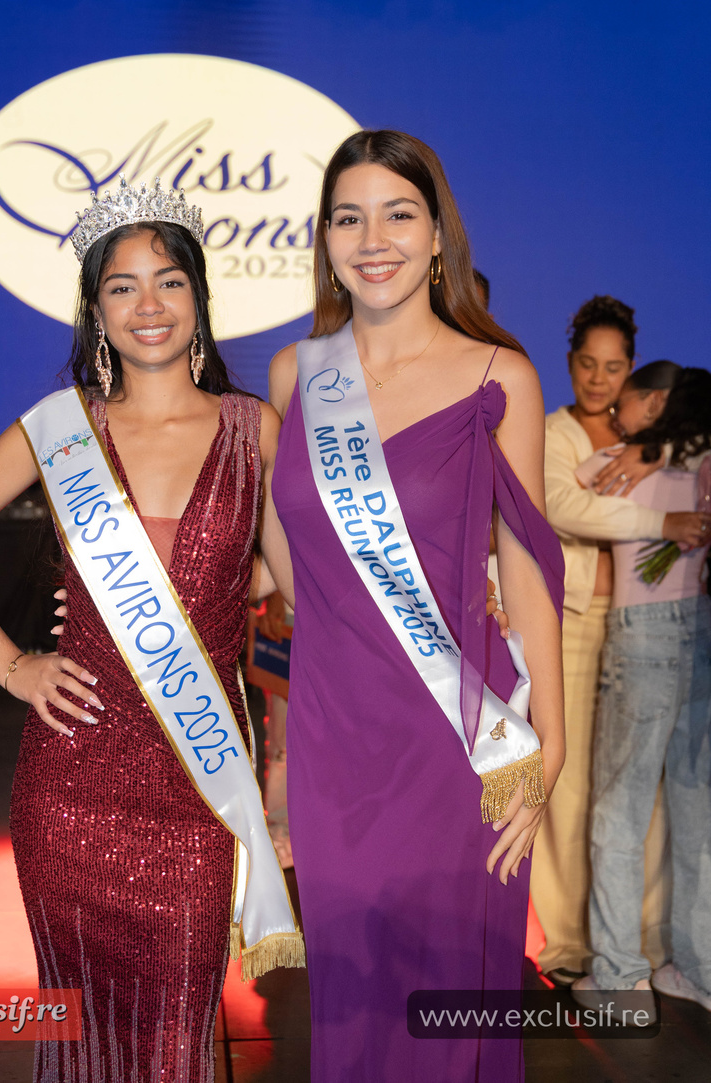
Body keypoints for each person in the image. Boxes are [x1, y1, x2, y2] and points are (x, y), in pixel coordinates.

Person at [0, 179, 303, 1082]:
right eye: (121, 287)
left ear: (199, 297)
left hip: (198, 784)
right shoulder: (62, 428)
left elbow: (296, 580)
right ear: (94, 311)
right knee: (82, 1034)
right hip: (71, 778)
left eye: (168, 280)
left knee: (177, 1031)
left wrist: (217, 591)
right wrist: (13, 664)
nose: (148, 304)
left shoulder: (254, 430)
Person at [262, 129, 566, 1082]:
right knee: (353, 1001)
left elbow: (527, 569)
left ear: (439, 237)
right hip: (331, 736)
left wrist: (547, 744)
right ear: (325, 239)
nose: (374, 236)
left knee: (445, 1004)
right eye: (349, 216)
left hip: (453, 738)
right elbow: (285, 563)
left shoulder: (496, 375)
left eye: (400, 213)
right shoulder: (294, 375)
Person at [532, 299, 706, 987]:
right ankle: (574, 941)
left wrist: (653, 446)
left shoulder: (662, 433)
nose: (599, 379)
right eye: (586, 364)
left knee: (652, 797)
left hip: (651, 629)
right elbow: (562, 504)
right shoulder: (554, 431)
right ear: (569, 362)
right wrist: (663, 517)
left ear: (633, 373)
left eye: (614, 367)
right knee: (572, 785)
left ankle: (641, 942)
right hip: (578, 621)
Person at [571, 364, 711, 1014]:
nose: (615, 409)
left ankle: (621, 975)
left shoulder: (616, 459)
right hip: (700, 628)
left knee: (619, 810)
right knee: (696, 809)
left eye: (626, 399)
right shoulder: (700, 454)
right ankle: (699, 970)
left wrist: (641, 448)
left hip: (644, 631)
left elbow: (579, 485)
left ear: (654, 401)